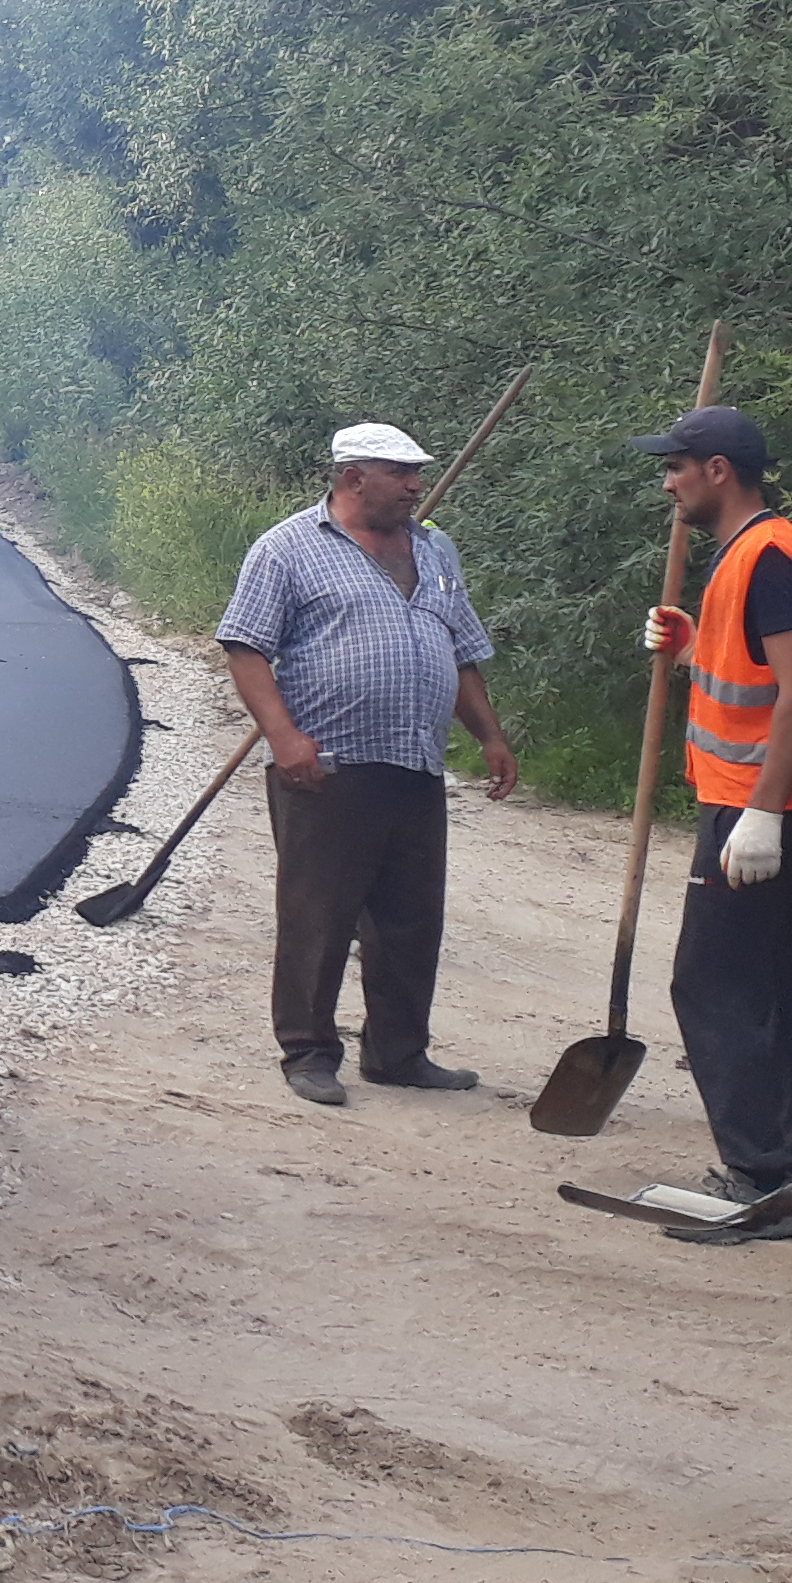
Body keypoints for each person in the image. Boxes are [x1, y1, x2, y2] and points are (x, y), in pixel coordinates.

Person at [216, 422, 520, 1107]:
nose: (416, 485)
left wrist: (490, 738)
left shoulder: (435, 550)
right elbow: (246, 649)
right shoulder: (288, 548)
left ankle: (398, 1052)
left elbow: (460, 651)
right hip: (328, 763)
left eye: (418, 473)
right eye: (402, 473)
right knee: (318, 915)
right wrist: (284, 737)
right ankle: (308, 1052)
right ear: (354, 478)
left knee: (411, 919)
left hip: (415, 760)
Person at [629, 405, 792, 1228]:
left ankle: (760, 1175)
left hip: (758, 803)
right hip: (755, 796)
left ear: (718, 470)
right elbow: (763, 674)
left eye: (677, 467)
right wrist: (693, 645)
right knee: (775, 972)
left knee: (712, 980)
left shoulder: (768, 557)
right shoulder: (752, 555)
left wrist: (761, 814)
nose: (668, 483)